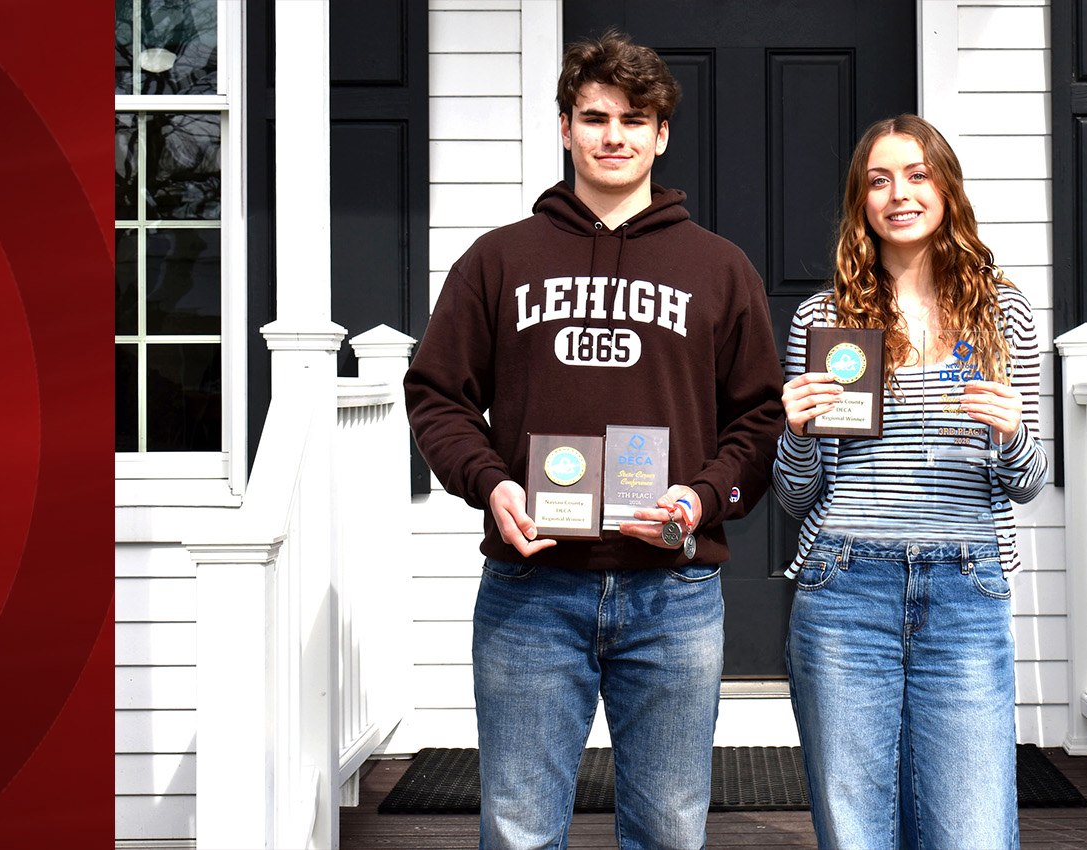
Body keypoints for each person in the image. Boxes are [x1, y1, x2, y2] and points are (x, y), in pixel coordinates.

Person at [403, 31, 784, 850]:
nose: (615, 136)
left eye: (634, 119)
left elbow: (759, 416)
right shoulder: (497, 261)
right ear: (566, 128)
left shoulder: (719, 268)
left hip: (673, 591)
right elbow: (436, 395)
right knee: (517, 828)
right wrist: (491, 483)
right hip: (534, 587)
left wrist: (702, 497)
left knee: (671, 829)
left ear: (662, 135)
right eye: (596, 116)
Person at [775, 114, 1047, 849]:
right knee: (857, 831)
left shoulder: (1001, 312)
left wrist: (1013, 433)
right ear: (861, 201)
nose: (899, 193)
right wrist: (795, 433)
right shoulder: (824, 319)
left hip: (967, 583)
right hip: (843, 582)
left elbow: (1028, 481)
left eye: (917, 174)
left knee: (974, 831)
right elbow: (797, 497)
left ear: (946, 188)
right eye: (879, 179)